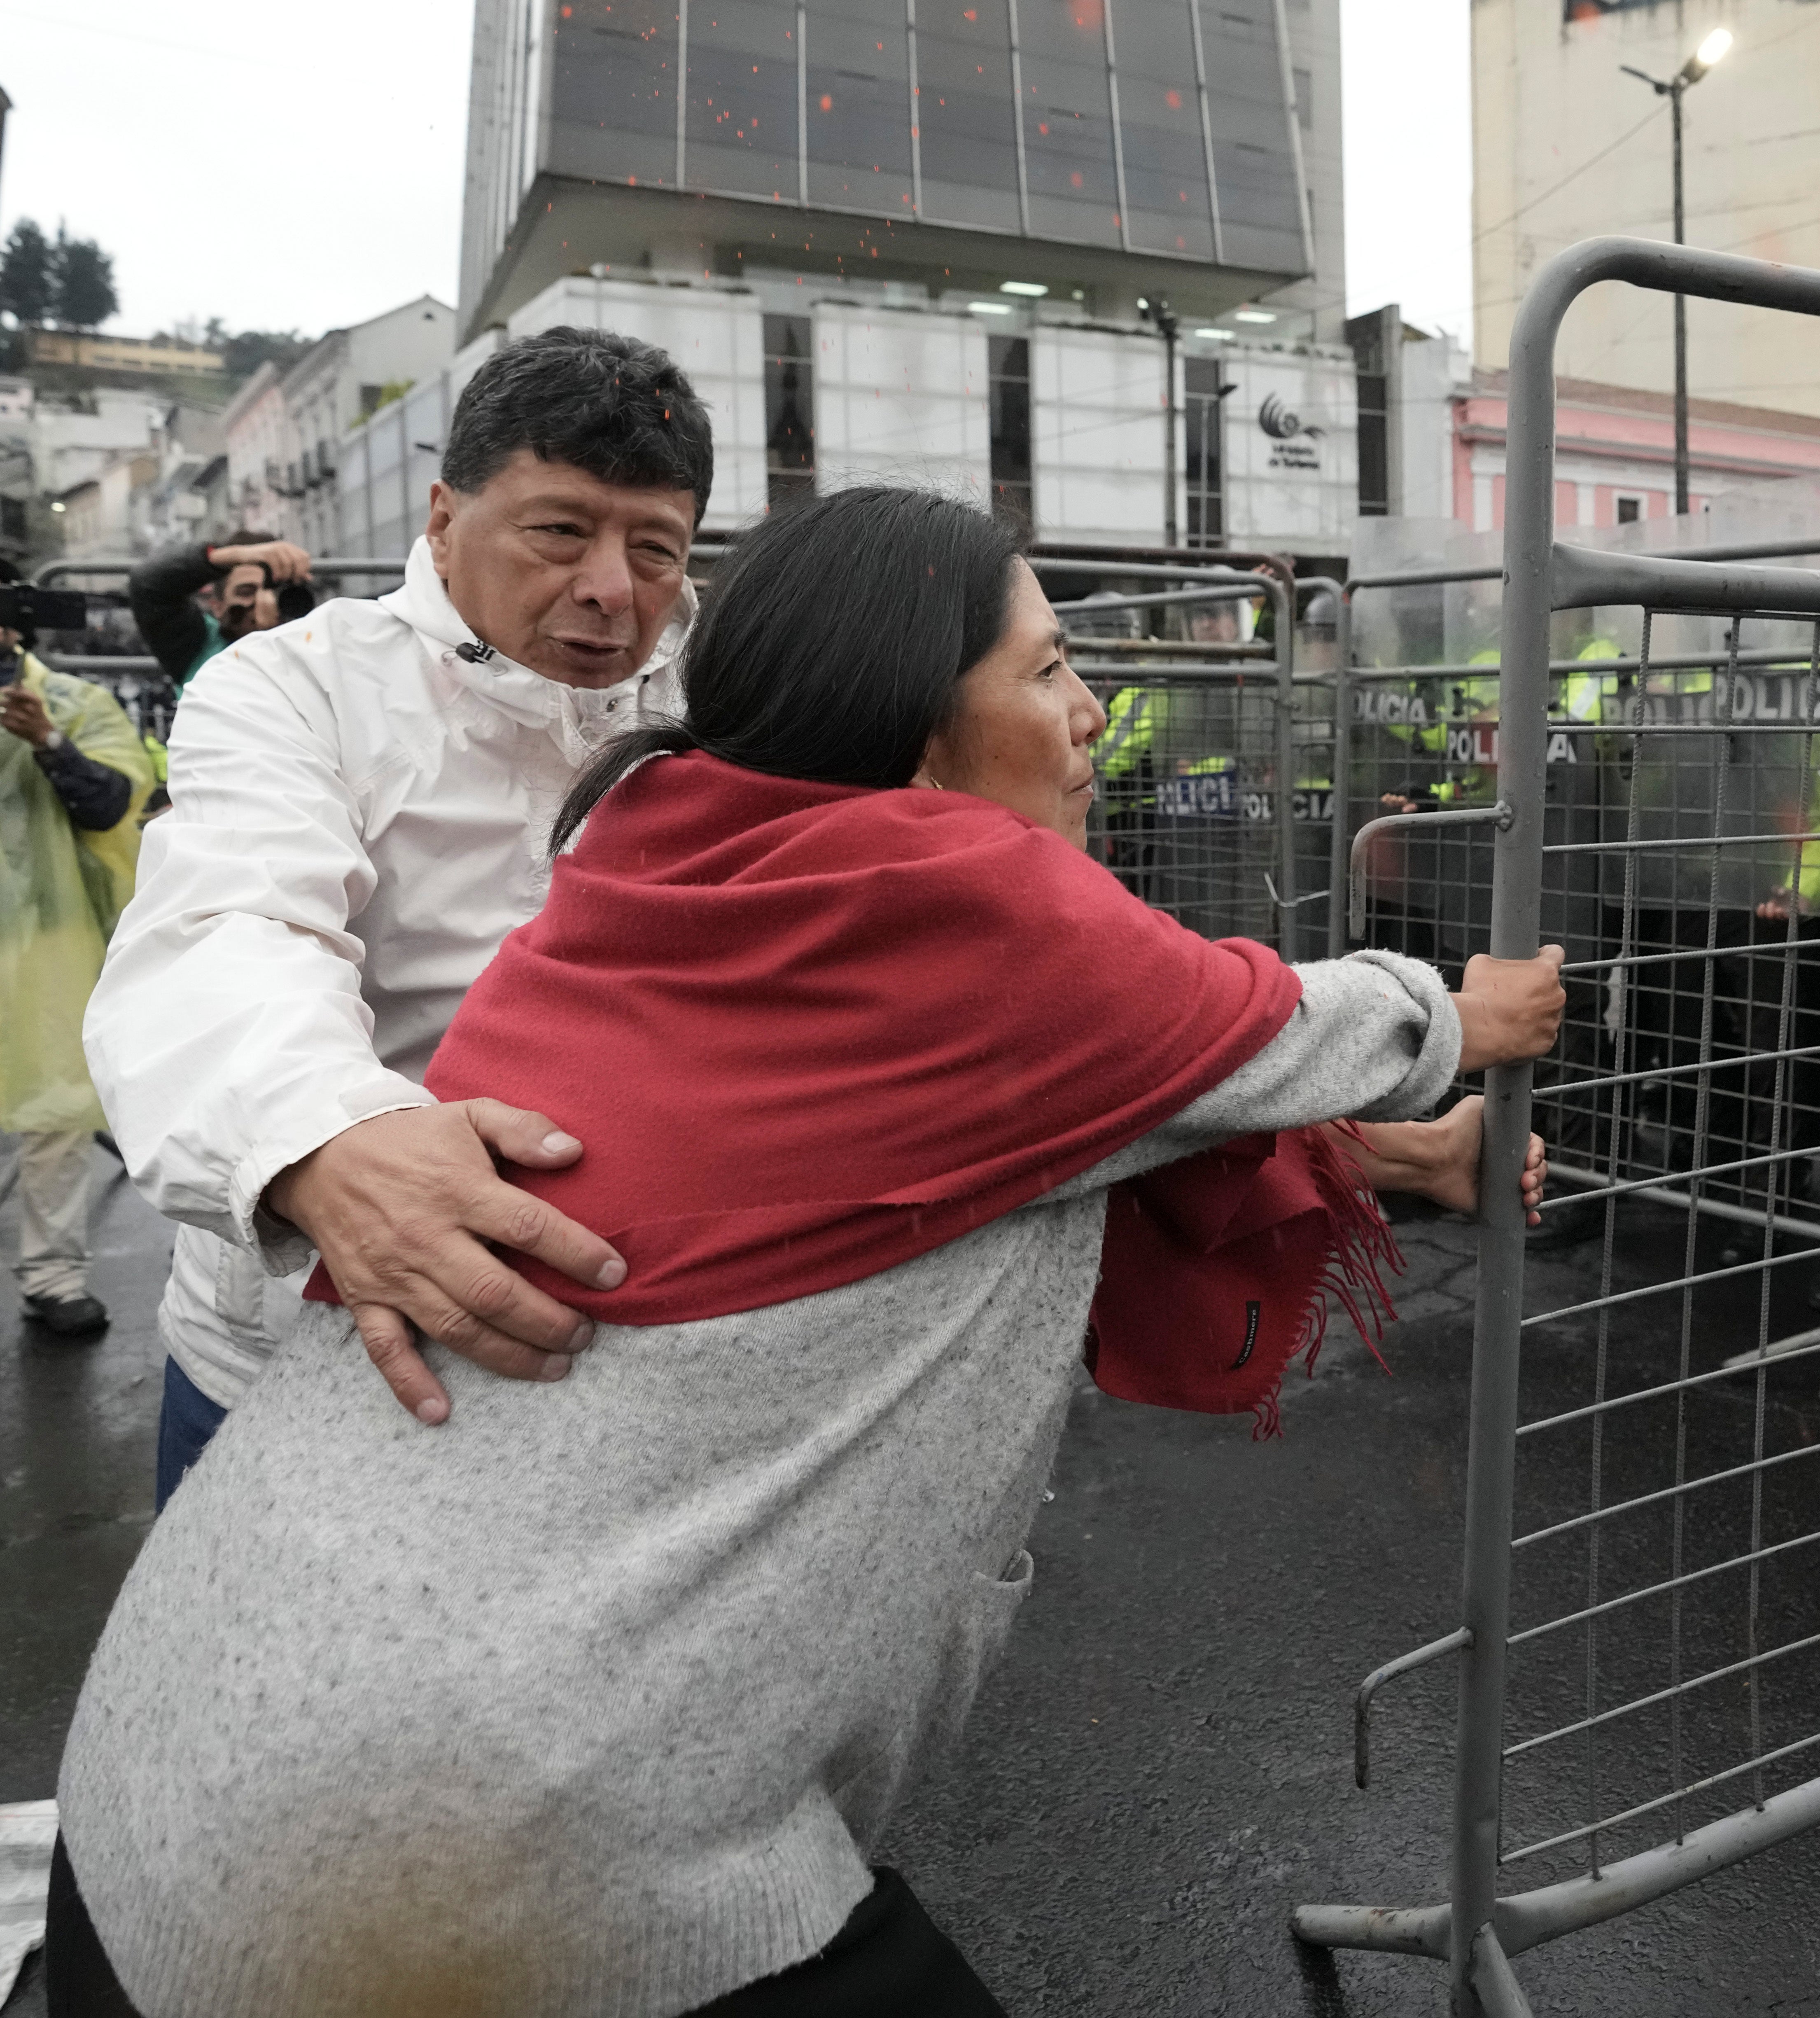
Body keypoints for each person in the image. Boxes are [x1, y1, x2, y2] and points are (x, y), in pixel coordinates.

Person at [47, 486, 1566, 2017]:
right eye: (1045, 671)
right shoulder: (972, 903)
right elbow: (1251, 1034)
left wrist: (1415, 1155)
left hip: (171, 1773)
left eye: (655, 546)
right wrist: (1481, 1017)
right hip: (488, 1873)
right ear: (912, 727)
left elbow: (1015, 1125)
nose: (1094, 709)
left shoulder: (654, 848)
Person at [84, 326, 709, 1508]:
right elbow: (228, 922)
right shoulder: (294, 682)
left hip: (617, 1343)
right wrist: (325, 1140)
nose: (609, 589)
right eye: (560, 529)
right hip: (297, 1344)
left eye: (656, 548)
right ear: (441, 520)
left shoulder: (716, 697)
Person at [2, 582, 154, 1336]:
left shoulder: (70, 701)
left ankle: (52, 1275)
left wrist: (49, 743)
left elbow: (114, 803)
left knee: (55, 1108)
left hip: (47, 939)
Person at [123, 530, 316, 688]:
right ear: (218, 606)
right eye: (247, 592)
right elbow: (147, 583)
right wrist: (234, 556)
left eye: (275, 591)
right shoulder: (198, 647)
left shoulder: (314, 646)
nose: (264, 602)